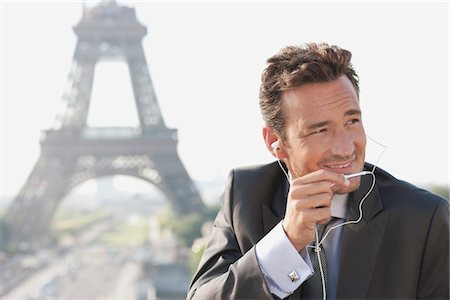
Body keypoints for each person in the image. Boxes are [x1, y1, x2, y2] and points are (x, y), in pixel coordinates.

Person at [187, 43, 449, 299]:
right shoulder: (245, 196)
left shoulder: (423, 219)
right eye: (320, 130)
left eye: (352, 121)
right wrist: (286, 242)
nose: (345, 148)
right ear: (275, 143)